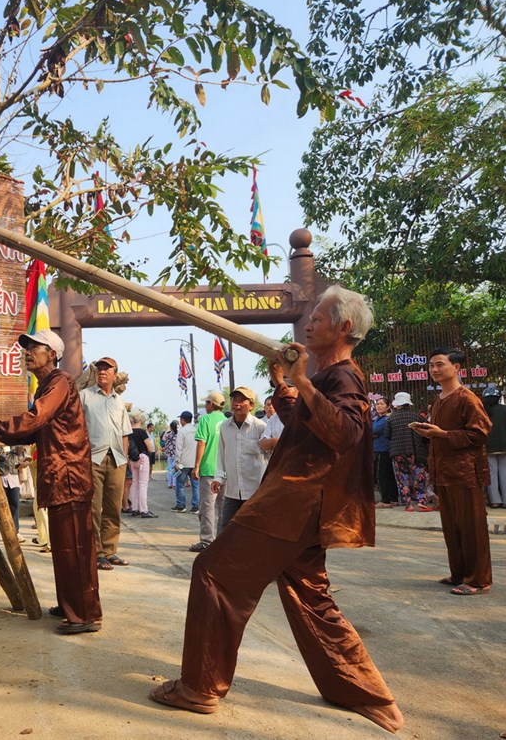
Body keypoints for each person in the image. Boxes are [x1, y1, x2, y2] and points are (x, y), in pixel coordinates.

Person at [150, 285, 403, 735]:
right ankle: (366, 694)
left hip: (295, 502)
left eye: (318, 319)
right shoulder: (328, 376)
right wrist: (286, 385)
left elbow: (345, 433)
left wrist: (301, 381)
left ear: (344, 328)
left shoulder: (343, 376)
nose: (307, 325)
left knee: (214, 572)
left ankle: (199, 687)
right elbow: (306, 420)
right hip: (302, 506)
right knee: (312, 597)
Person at [0, 330, 102, 634]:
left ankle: (84, 614)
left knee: (74, 547)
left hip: (69, 476)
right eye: (26, 348)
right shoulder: (48, 386)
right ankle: (72, 603)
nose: (28, 352)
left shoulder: (59, 382)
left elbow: (34, 419)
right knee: (66, 546)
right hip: (61, 475)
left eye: (34, 348)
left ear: (51, 354)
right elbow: (32, 431)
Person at [410, 348, 492, 596]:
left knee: (472, 527)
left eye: (440, 364)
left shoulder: (467, 398)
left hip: (465, 473)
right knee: (452, 527)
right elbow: (441, 433)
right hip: (444, 472)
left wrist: (442, 435)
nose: (434, 369)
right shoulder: (441, 398)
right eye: (431, 366)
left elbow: (480, 434)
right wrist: (429, 433)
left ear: (456, 367)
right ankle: (459, 573)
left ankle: (478, 580)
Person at [80, 356, 132, 570]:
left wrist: (125, 461)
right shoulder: (84, 396)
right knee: (93, 507)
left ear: (114, 374)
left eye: (107, 369)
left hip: (117, 459)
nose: (102, 372)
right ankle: (97, 552)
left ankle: (110, 551)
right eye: (99, 369)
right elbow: (77, 429)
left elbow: (125, 433)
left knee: (113, 507)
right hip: (93, 458)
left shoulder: (119, 401)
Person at [210, 386, 267, 534]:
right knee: (225, 530)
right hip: (232, 491)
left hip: (255, 491)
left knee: (253, 532)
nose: (237, 404)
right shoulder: (224, 427)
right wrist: (218, 478)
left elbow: (269, 458)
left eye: (242, 400)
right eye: (235, 399)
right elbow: (222, 454)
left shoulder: (260, 427)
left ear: (251, 405)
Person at [189, 390, 227, 552]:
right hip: (225, 470)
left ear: (211, 404)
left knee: (207, 507)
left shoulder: (205, 420)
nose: (205, 406)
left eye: (206, 403)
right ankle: (223, 540)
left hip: (209, 469)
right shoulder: (227, 421)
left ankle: (206, 541)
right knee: (224, 507)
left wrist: (196, 466)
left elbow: (201, 444)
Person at [385, 392, 432, 511]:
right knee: (419, 477)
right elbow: (427, 434)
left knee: (402, 478)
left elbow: (387, 435)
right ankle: (421, 502)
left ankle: (408, 504)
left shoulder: (391, 418)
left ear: (397, 404)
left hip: (398, 452)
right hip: (416, 451)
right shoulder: (417, 417)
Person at [481, 386, 506, 508]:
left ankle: (495, 501)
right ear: (499, 397)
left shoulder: (482, 411)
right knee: (505, 473)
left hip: (488, 447)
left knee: (491, 473)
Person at [127, 411, 157, 518]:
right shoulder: (142, 432)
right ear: (140, 420)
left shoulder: (128, 431)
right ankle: (144, 510)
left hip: (132, 459)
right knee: (143, 484)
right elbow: (150, 448)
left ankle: (134, 508)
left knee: (134, 484)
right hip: (143, 458)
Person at [371, 397, 399, 508]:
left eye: (381, 404)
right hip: (381, 449)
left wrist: (372, 434)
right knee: (389, 475)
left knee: (381, 475)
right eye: (377, 404)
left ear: (388, 406)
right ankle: (393, 498)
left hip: (382, 450)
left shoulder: (386, 419)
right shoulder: (378, 419)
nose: (378, 406)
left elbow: (373, 430)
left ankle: (386, 500)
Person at [173, 411, 199, 513]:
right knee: (195, 485)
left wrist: (177, 462)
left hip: (183, 463)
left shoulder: (182, 431)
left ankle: (181, 505)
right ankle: (196, 506)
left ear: (183, 419)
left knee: (180, 484)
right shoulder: (196, 430)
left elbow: (178, 448)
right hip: (194, 462)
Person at [162, 420, 179, 489]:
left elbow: (163, 439)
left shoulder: (168, 434)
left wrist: (167, 430)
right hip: (176, 454)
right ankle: (174, 484)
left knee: (170, 469)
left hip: (169, 454)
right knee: (175, 469)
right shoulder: (178, 434)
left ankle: (169, 484)